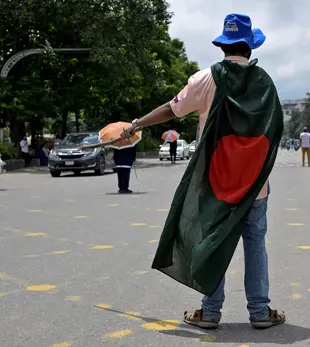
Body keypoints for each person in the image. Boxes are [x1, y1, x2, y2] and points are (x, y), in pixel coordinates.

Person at [120, 13, 284, 330]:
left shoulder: (204, 79)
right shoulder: (264, 82)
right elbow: (274, 129)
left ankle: (210, 312)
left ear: (223, 46)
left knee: (212, 241)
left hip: (215, 184)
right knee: (255, 243)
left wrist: (136, 124)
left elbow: (172, 108)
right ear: (249, 48)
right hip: (255, 186)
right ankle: (260, 312)